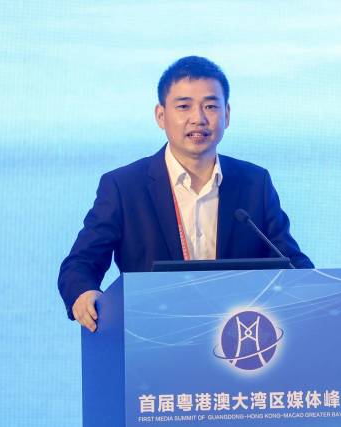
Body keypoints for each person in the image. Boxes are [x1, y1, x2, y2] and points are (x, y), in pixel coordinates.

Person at [58, 56, 313, 332]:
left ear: (227, 115)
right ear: (161, 116)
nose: (198, 119)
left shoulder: (254, 182)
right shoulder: (124, 186)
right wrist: (84, 293)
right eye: (184, 106)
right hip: (153, 336)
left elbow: (290, 260)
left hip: (236, 338)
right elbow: (79, 264)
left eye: (210, 106)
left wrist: (321, 290)